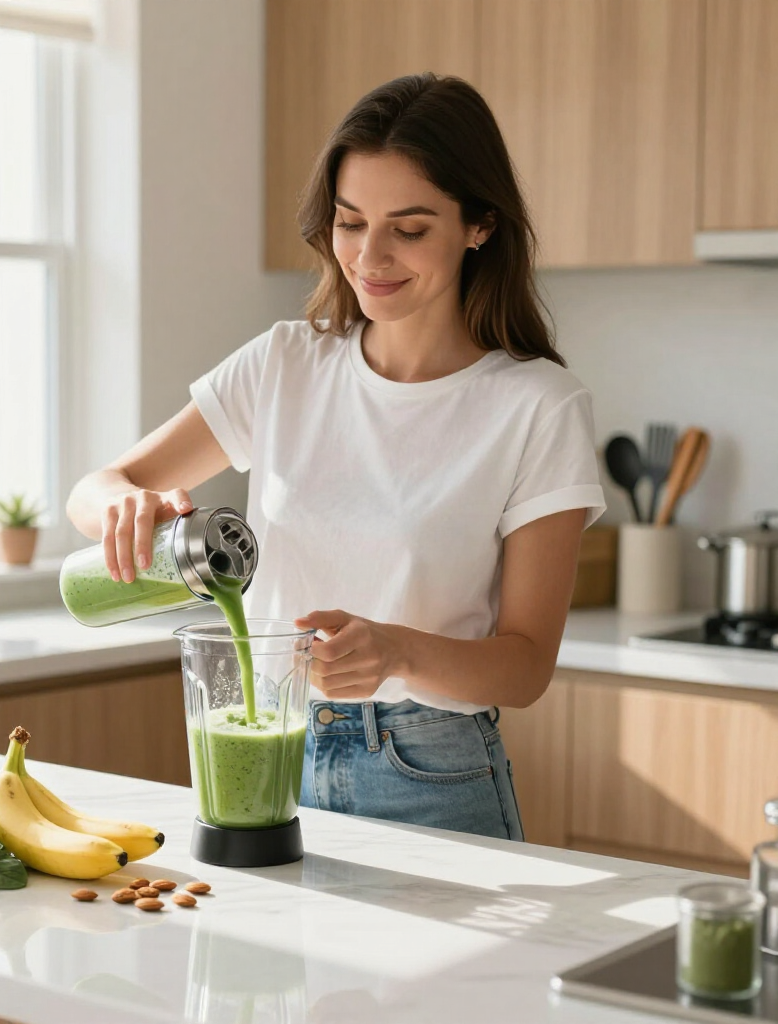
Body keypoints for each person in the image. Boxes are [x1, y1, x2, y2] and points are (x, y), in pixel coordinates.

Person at [66, 74, 605, 842]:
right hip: (263, 747)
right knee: (255, 965)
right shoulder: (286, 364)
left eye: (409, 229)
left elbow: (524, 669)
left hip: (431, 772)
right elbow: (97, 488)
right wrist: (119, 504)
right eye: (350, 222)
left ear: (479, 225)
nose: (370, 255)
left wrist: (397, 650)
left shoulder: (539, 407)